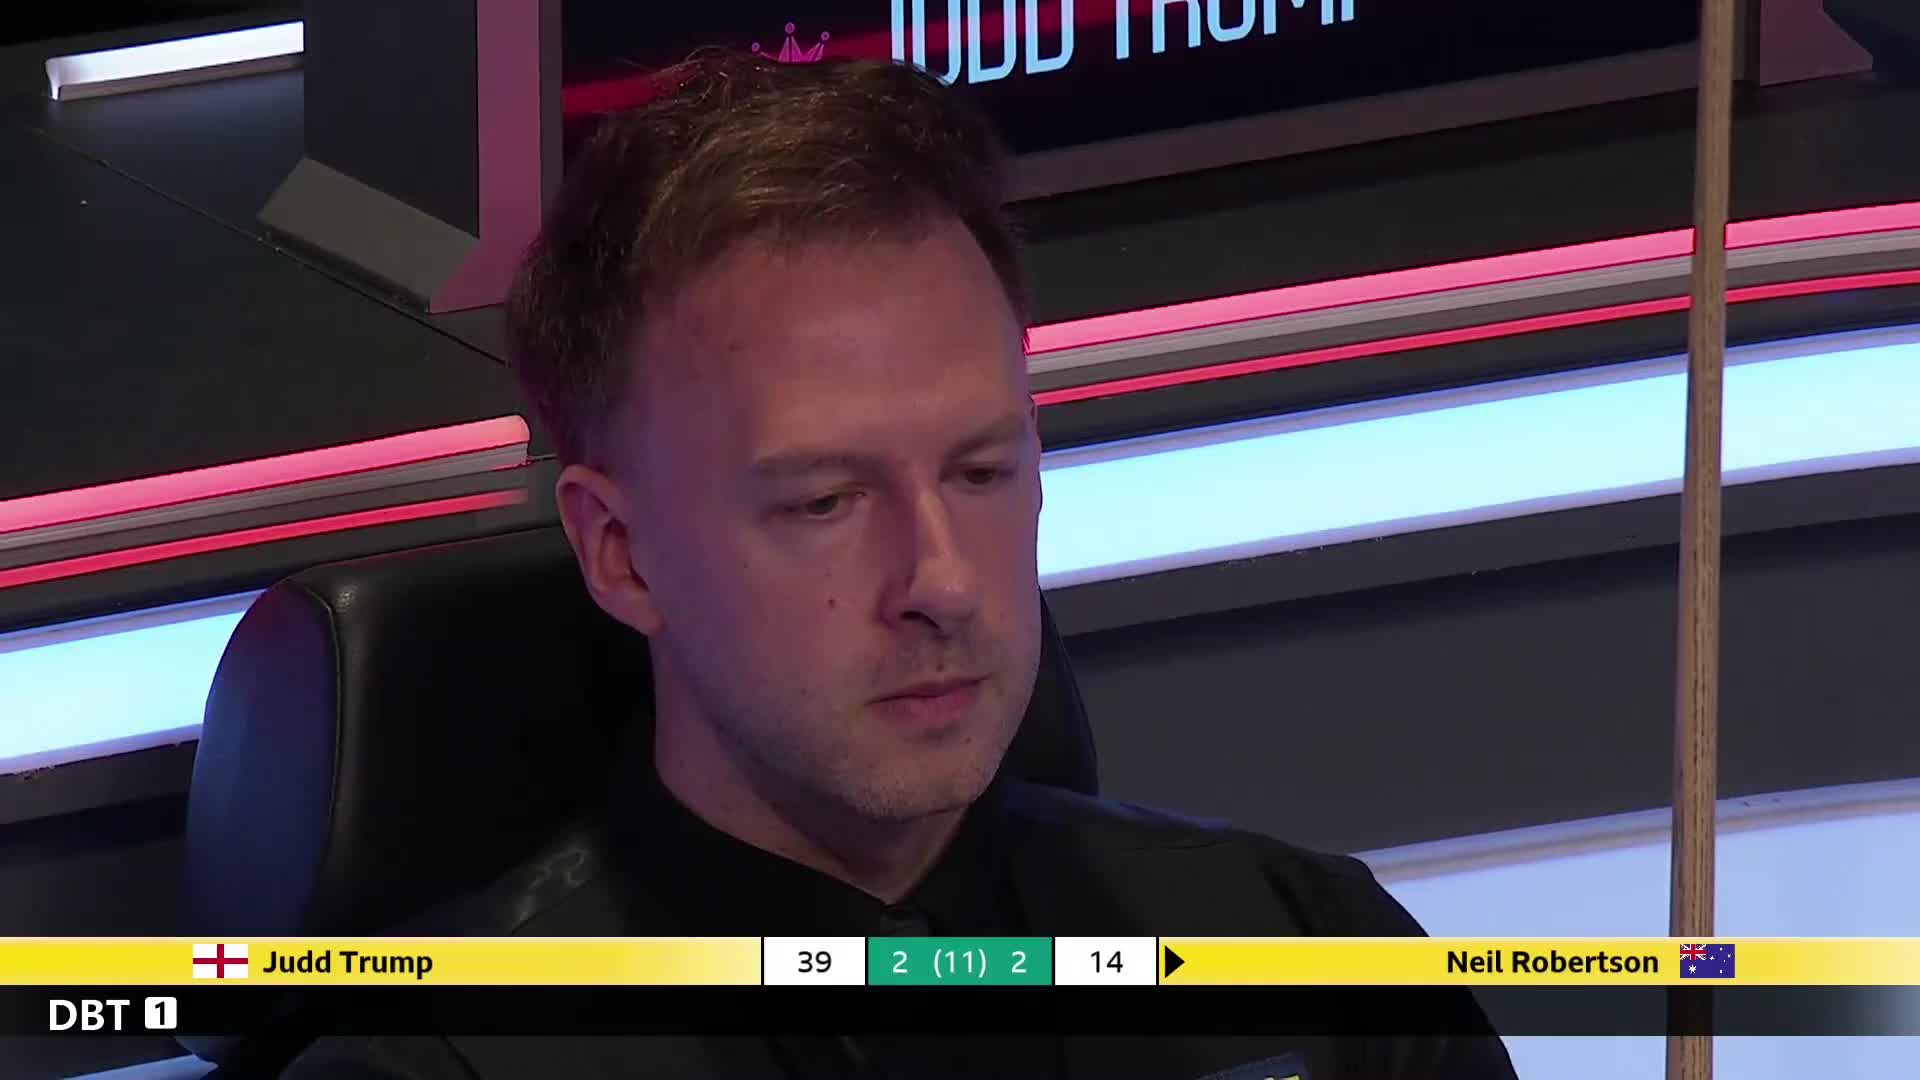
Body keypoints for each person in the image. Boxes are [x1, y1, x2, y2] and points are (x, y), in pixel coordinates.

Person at [280, 54, 1518, 1080]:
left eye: (980, 472)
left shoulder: (1314, 969)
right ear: (621, 552)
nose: (946, 581)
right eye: (826, 501)